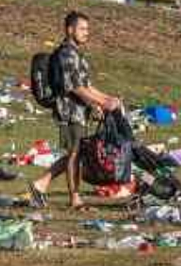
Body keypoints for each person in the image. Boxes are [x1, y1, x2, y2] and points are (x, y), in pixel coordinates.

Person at [28, 12, 122, 209]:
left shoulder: (77, 54)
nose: (86, 33)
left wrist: (107, 99)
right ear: (70, 29)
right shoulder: (66, 54)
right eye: (82, 29)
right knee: (74, 155)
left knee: (76, 153)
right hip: (70, 111)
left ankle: (40, 184)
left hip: (81, 111)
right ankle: (75, 198)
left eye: (87, 29)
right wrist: (102, 103)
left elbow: (87, 86)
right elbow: (75, 88)